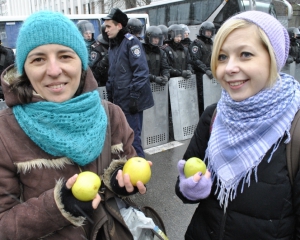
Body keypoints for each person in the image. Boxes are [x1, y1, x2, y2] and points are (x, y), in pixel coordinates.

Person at [0, 11, 150, 240]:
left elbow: (127, 162)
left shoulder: (111, 114)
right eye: (38, 59)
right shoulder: (5, 132)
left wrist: (119, 182)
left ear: (80, 62)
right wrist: (56, 207)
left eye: (65, 56)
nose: (53, 70)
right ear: (24, 69)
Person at [175, 11, 300, 239]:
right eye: (222, 57)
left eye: (245, 54)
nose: (230, 68)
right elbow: (184, 185)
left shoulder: (296, 126)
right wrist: (189, 189)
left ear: (274, 57)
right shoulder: (214, 115)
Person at [102, 8, 154, 158]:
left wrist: (133, 96)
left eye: (108, 26)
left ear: (119, 25)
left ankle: (140, 173)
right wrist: (111, 95)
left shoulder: (131, 42)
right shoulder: (114, 45)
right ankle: (128, 169)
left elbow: (141, 71)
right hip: (119, 100)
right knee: (122, 138)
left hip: (131, 101)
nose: (106, 30)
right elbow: (113, 73)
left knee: (133, 138)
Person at [189, 21, 215, 116]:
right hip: (200, 75)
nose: (209, 33)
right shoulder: (197, 44)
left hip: (210, 73)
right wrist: (206, 70)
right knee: (201, 98)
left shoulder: (211, 43)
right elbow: (195, 60)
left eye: (210, 32)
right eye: (207, 31)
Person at [77, 20, 106, 86]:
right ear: (81, 34)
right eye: (86, 33)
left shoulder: (96, 44)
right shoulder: (79, 46)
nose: (88, 35)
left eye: (90, 33)